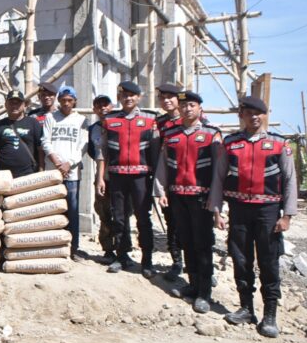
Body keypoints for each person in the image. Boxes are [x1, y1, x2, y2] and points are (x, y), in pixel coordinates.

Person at [213, 96, 297, 338]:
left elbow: (290, 180)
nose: (254, 117)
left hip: (268, 212)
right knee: (240, 260)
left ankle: (270, 315)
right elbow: (219, 177)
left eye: (258, 112)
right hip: (238, 210)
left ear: (265, 115)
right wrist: (217, 211)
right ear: (241, 115)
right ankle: (246, 309)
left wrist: (287, 215)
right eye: (249, 113)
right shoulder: (230, 143)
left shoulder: (279, 144)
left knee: (269, 262)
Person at [153, 91, 223, 313]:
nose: (187, 109)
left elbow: (219, 170)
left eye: (191, 105)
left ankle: (204, 292)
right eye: (184, 105)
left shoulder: (211, 134)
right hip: (178, 197)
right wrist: (161, 190)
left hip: (201, 198)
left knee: (202, 244)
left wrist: (216, 201)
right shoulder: (171, 134)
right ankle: (193, 285)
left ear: (200, 108)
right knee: (187, 241)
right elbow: (164, 164)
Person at [96, 81, 160, 277]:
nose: (128, 98)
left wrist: (157, 181)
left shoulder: (150, 119)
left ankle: (147, 261)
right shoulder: (110, 120)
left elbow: (156, 153)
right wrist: (100, 178)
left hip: (141, 177)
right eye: (124, 95)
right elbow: (102, 151)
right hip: (117, 176)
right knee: (119, 217)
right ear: (119, 98)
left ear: (139, 97)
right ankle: (121, 256)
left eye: (132, 95)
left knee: (143, 218)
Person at [41, 86, 88, 258]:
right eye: (63, 100)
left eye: (70, 100)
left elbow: (83, 145)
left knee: (72, 210)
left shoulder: (81, 120)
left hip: (72, 173)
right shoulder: (50, 117)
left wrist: (69, 164)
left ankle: (73, 247)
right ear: (59, 101)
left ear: (75, 101)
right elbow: (45, 141)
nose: (66, 103)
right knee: (52, 209)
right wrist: (57, 162)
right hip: (53, 172)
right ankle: (53, 246)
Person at [155, 83, 184, 282]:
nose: (166, 101)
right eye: (162, 97)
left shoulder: (193, 120)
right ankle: (177, 262)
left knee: (196, 227)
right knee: (172, 223)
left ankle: (200, 267)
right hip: (170, 180)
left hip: (193, 182)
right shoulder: (160, 123)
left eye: (170, 97)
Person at [0, 89, 42, 178]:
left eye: (18, 103)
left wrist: (41, 169)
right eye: (11, 103)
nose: (14, 106)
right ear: (6, 105)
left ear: (24, 105)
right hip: (3, 175)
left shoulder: (33, 123)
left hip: (28, 174)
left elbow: (40, 149)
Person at [87, 94, 116, 264]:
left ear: (112, 107)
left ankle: (123, 249)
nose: (103, 108)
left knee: (121, 214)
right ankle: (108, 249)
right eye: (99, 106)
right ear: (94, 110)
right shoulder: (93, 129)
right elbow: (93, 152)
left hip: (120, 176)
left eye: (106, 105)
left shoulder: (119, 124)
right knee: (103, 212)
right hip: (102, 177)